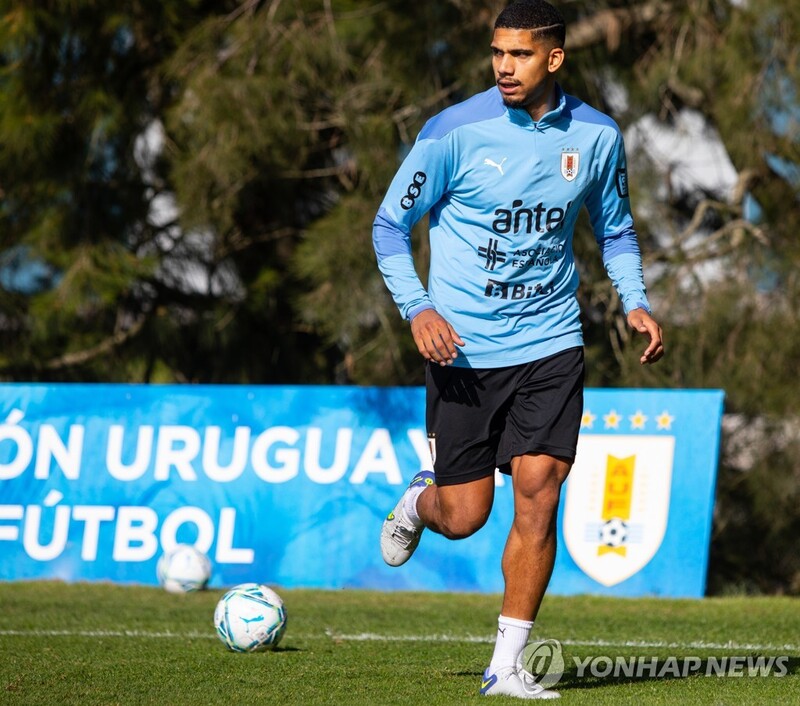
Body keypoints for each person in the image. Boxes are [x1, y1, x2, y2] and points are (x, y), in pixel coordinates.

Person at [373, 0, 664, 699]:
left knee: (538, 494)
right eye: (498, 53)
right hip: (463, 352)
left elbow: (616, 229)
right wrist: (419, 308)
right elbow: (389, 226)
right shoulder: (453, 132)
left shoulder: (596, 136)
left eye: (521, 54)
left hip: (551, 342)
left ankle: (506, 667)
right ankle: (419, 503)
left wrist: (636, 299)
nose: (504, 66)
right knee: (466, 515)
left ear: (554, 58)